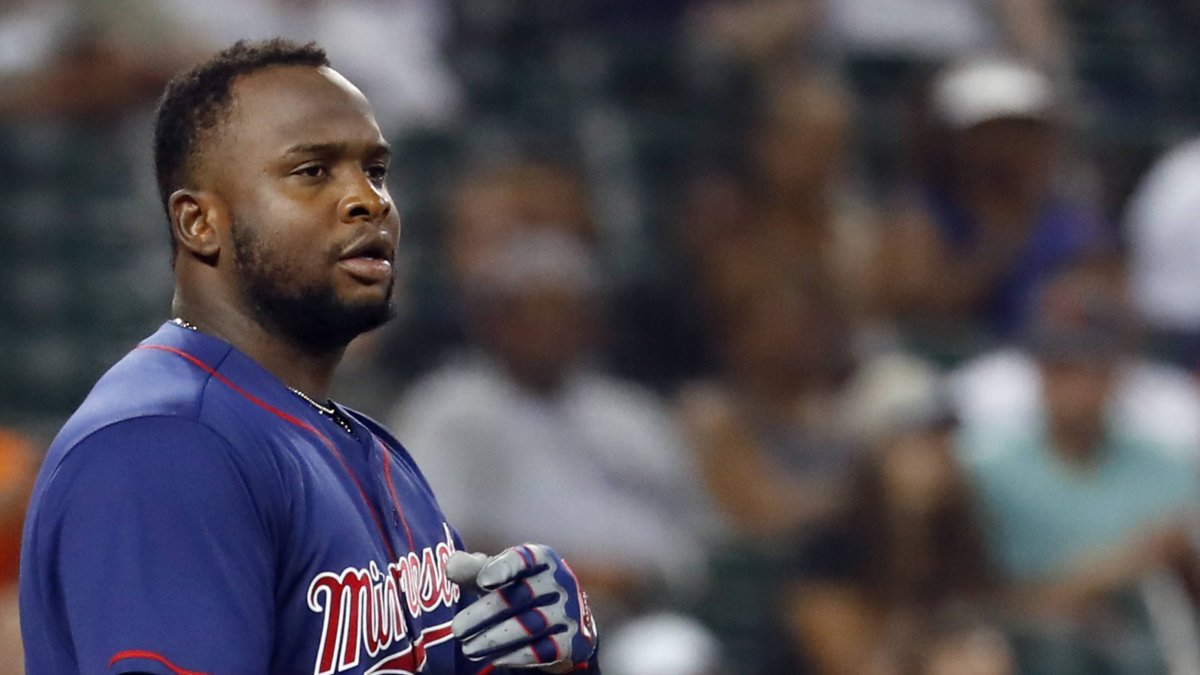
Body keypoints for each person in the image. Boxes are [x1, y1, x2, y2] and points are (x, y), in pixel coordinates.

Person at [19, 39, 598, 675]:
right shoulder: (162, 445)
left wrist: (548, 665)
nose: (369, 201)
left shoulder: (370, 448)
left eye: (375, 171)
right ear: (198, 224)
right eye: (313, 172)